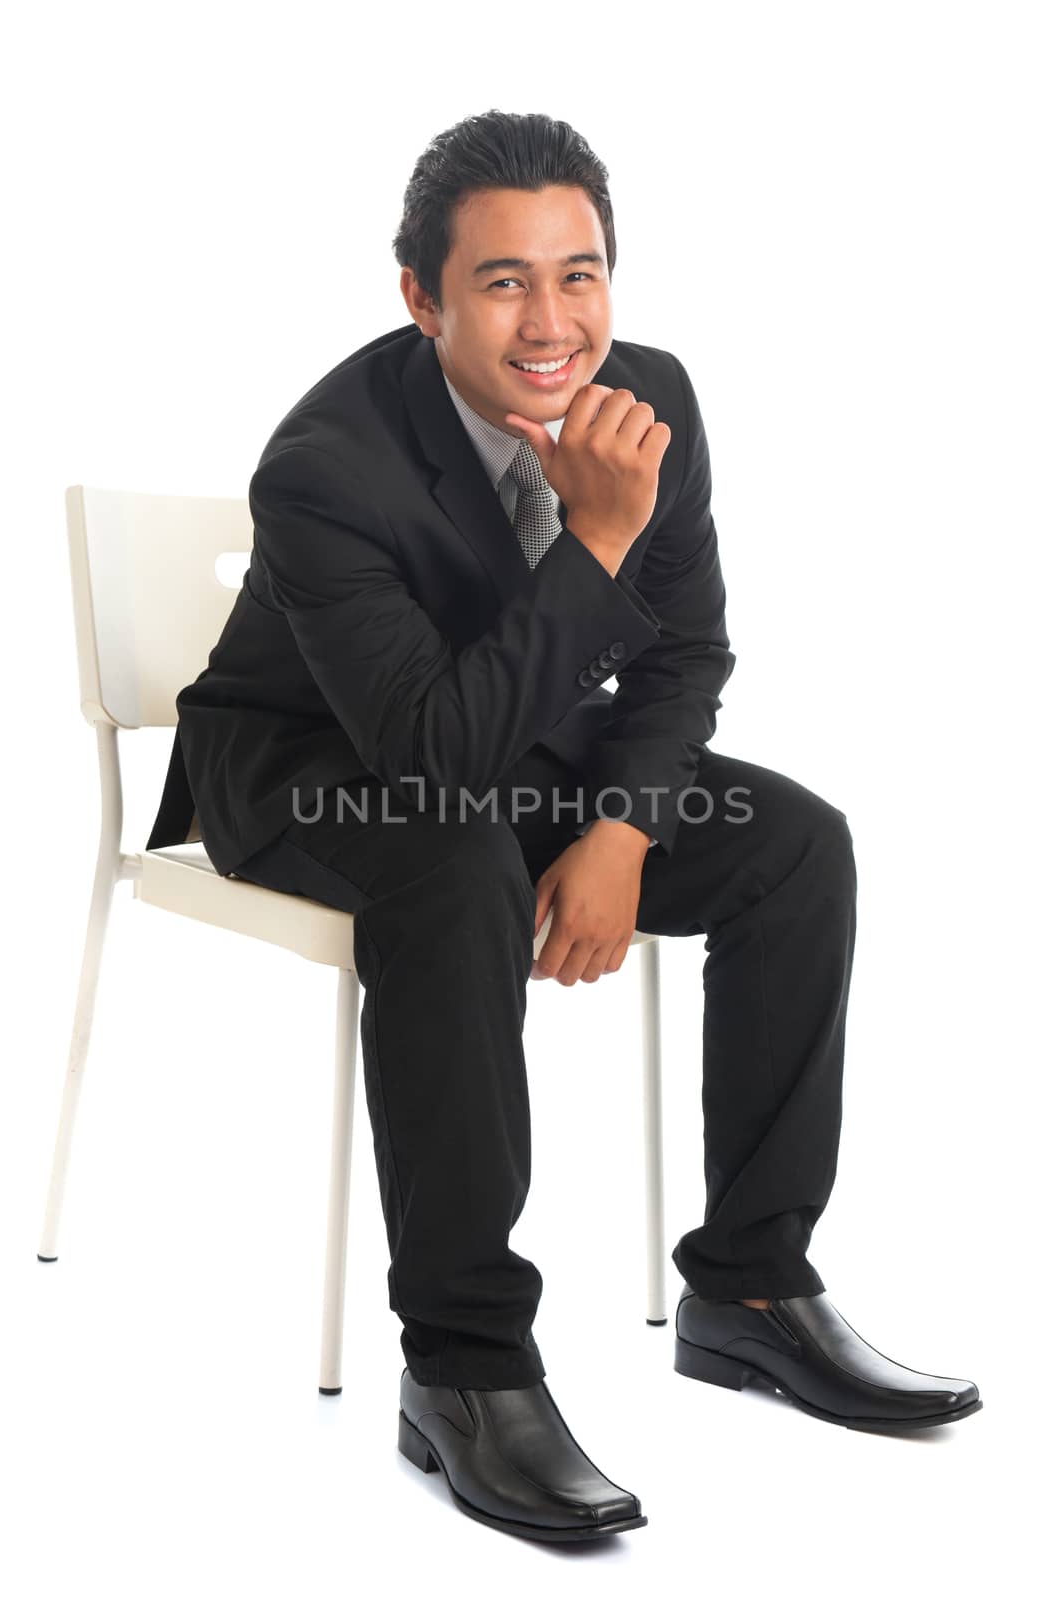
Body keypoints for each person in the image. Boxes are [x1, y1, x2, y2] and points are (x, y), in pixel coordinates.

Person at [145, 109, 982, 1542]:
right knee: (457, 856)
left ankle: (752, 1286)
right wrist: (597, 534)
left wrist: (621, 835)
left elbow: (684, 657)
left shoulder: (651, 395)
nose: (554, 323)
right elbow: (430, 754)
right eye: (503, 281)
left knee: (797, 841)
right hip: (309, 768)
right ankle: (466, 1370)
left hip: (517, 749)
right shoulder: (324, 465)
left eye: (580, 274)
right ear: (420, 296)